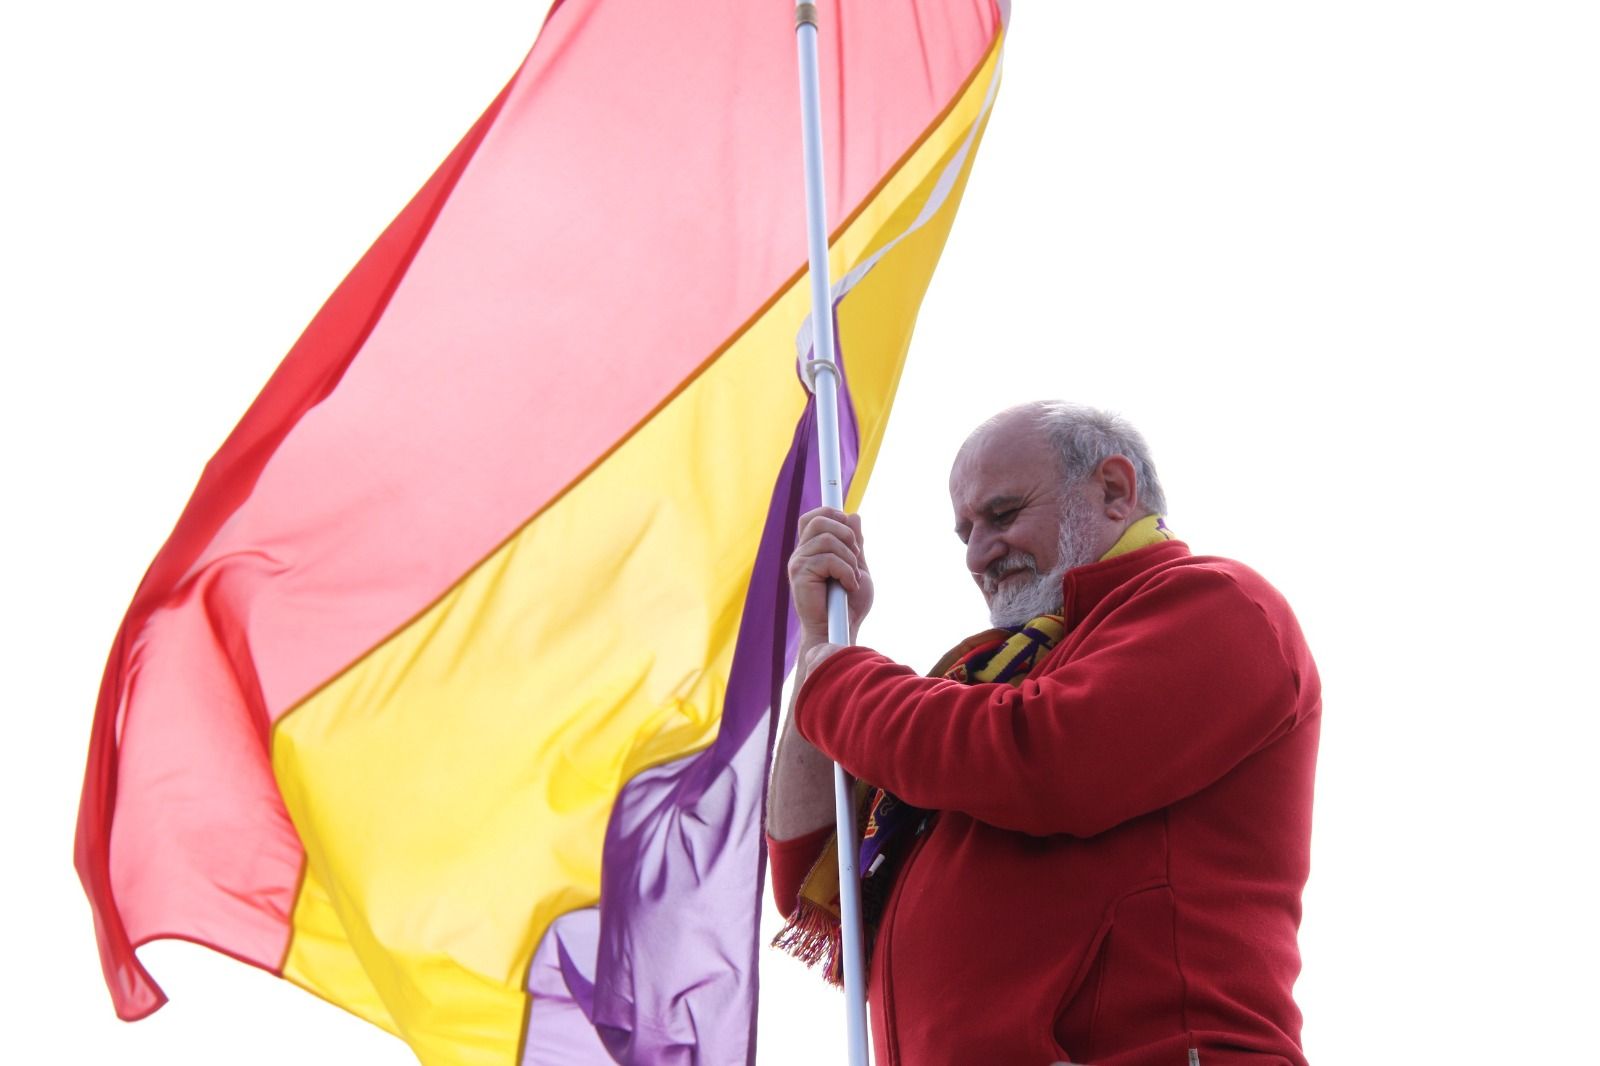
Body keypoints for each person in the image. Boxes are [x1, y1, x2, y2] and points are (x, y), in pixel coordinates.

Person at [766, 401, 1320, 1066]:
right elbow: (810, 880)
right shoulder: (990, 684)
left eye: (1001, 515)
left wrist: (840, 684)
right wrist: (821, 646)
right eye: (964, 531)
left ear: (1115, 491)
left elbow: (1045, 761)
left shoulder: (1219, 603)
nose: (977, 554)